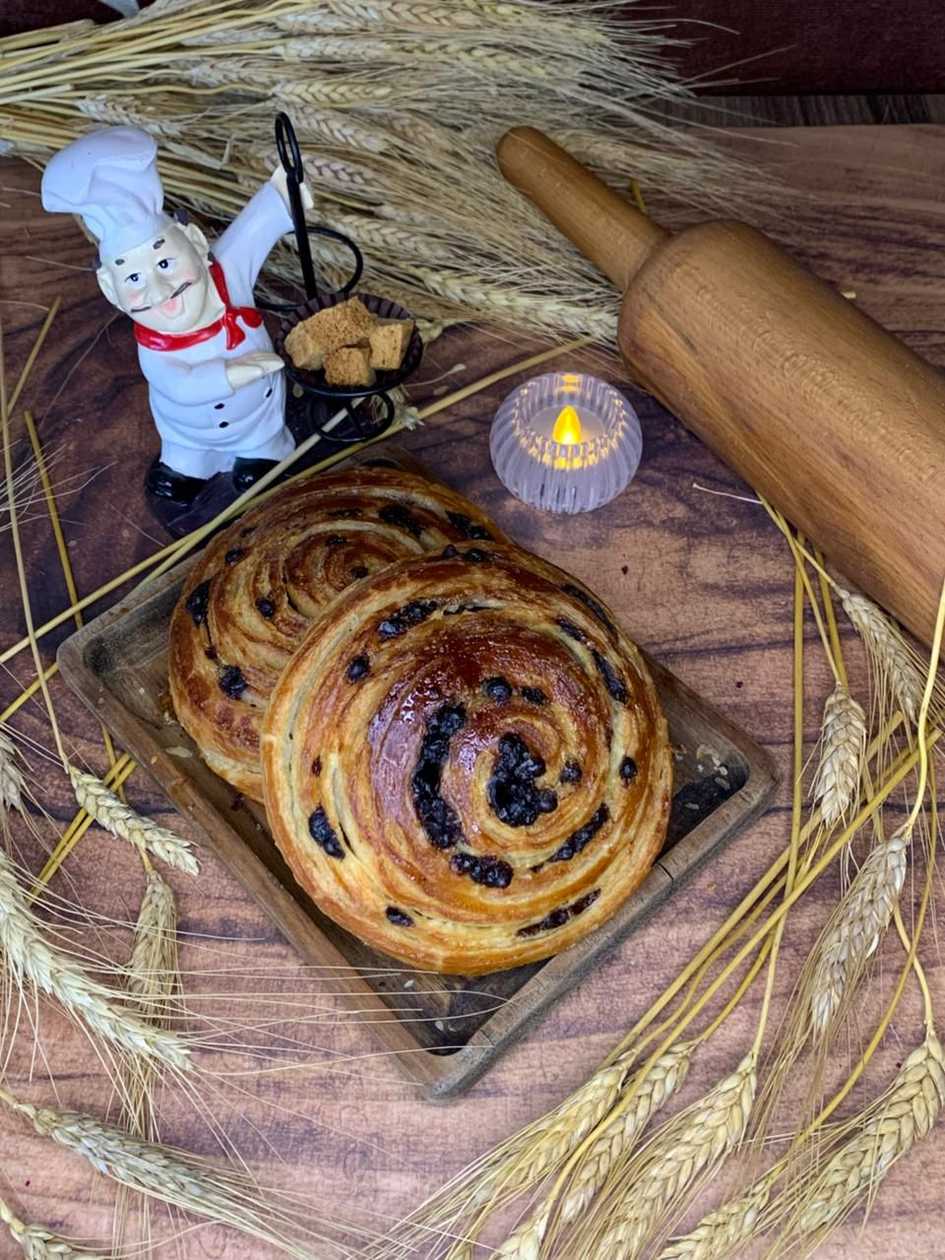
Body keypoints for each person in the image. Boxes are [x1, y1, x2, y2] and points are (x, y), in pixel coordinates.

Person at [41, 126, 311, 503]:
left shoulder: (226, 272)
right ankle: (188, 463)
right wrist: (233, 373)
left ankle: (262, 452)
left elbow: (253, 230)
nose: (160, 289)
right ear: (109, 289)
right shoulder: (153, 347)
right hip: (188, 433)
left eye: (165, 262)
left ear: (197, 243)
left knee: (262, 451)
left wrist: (284, 192)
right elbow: (177, 385)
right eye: (133, 278)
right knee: (184, 458)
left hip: (258, 419)